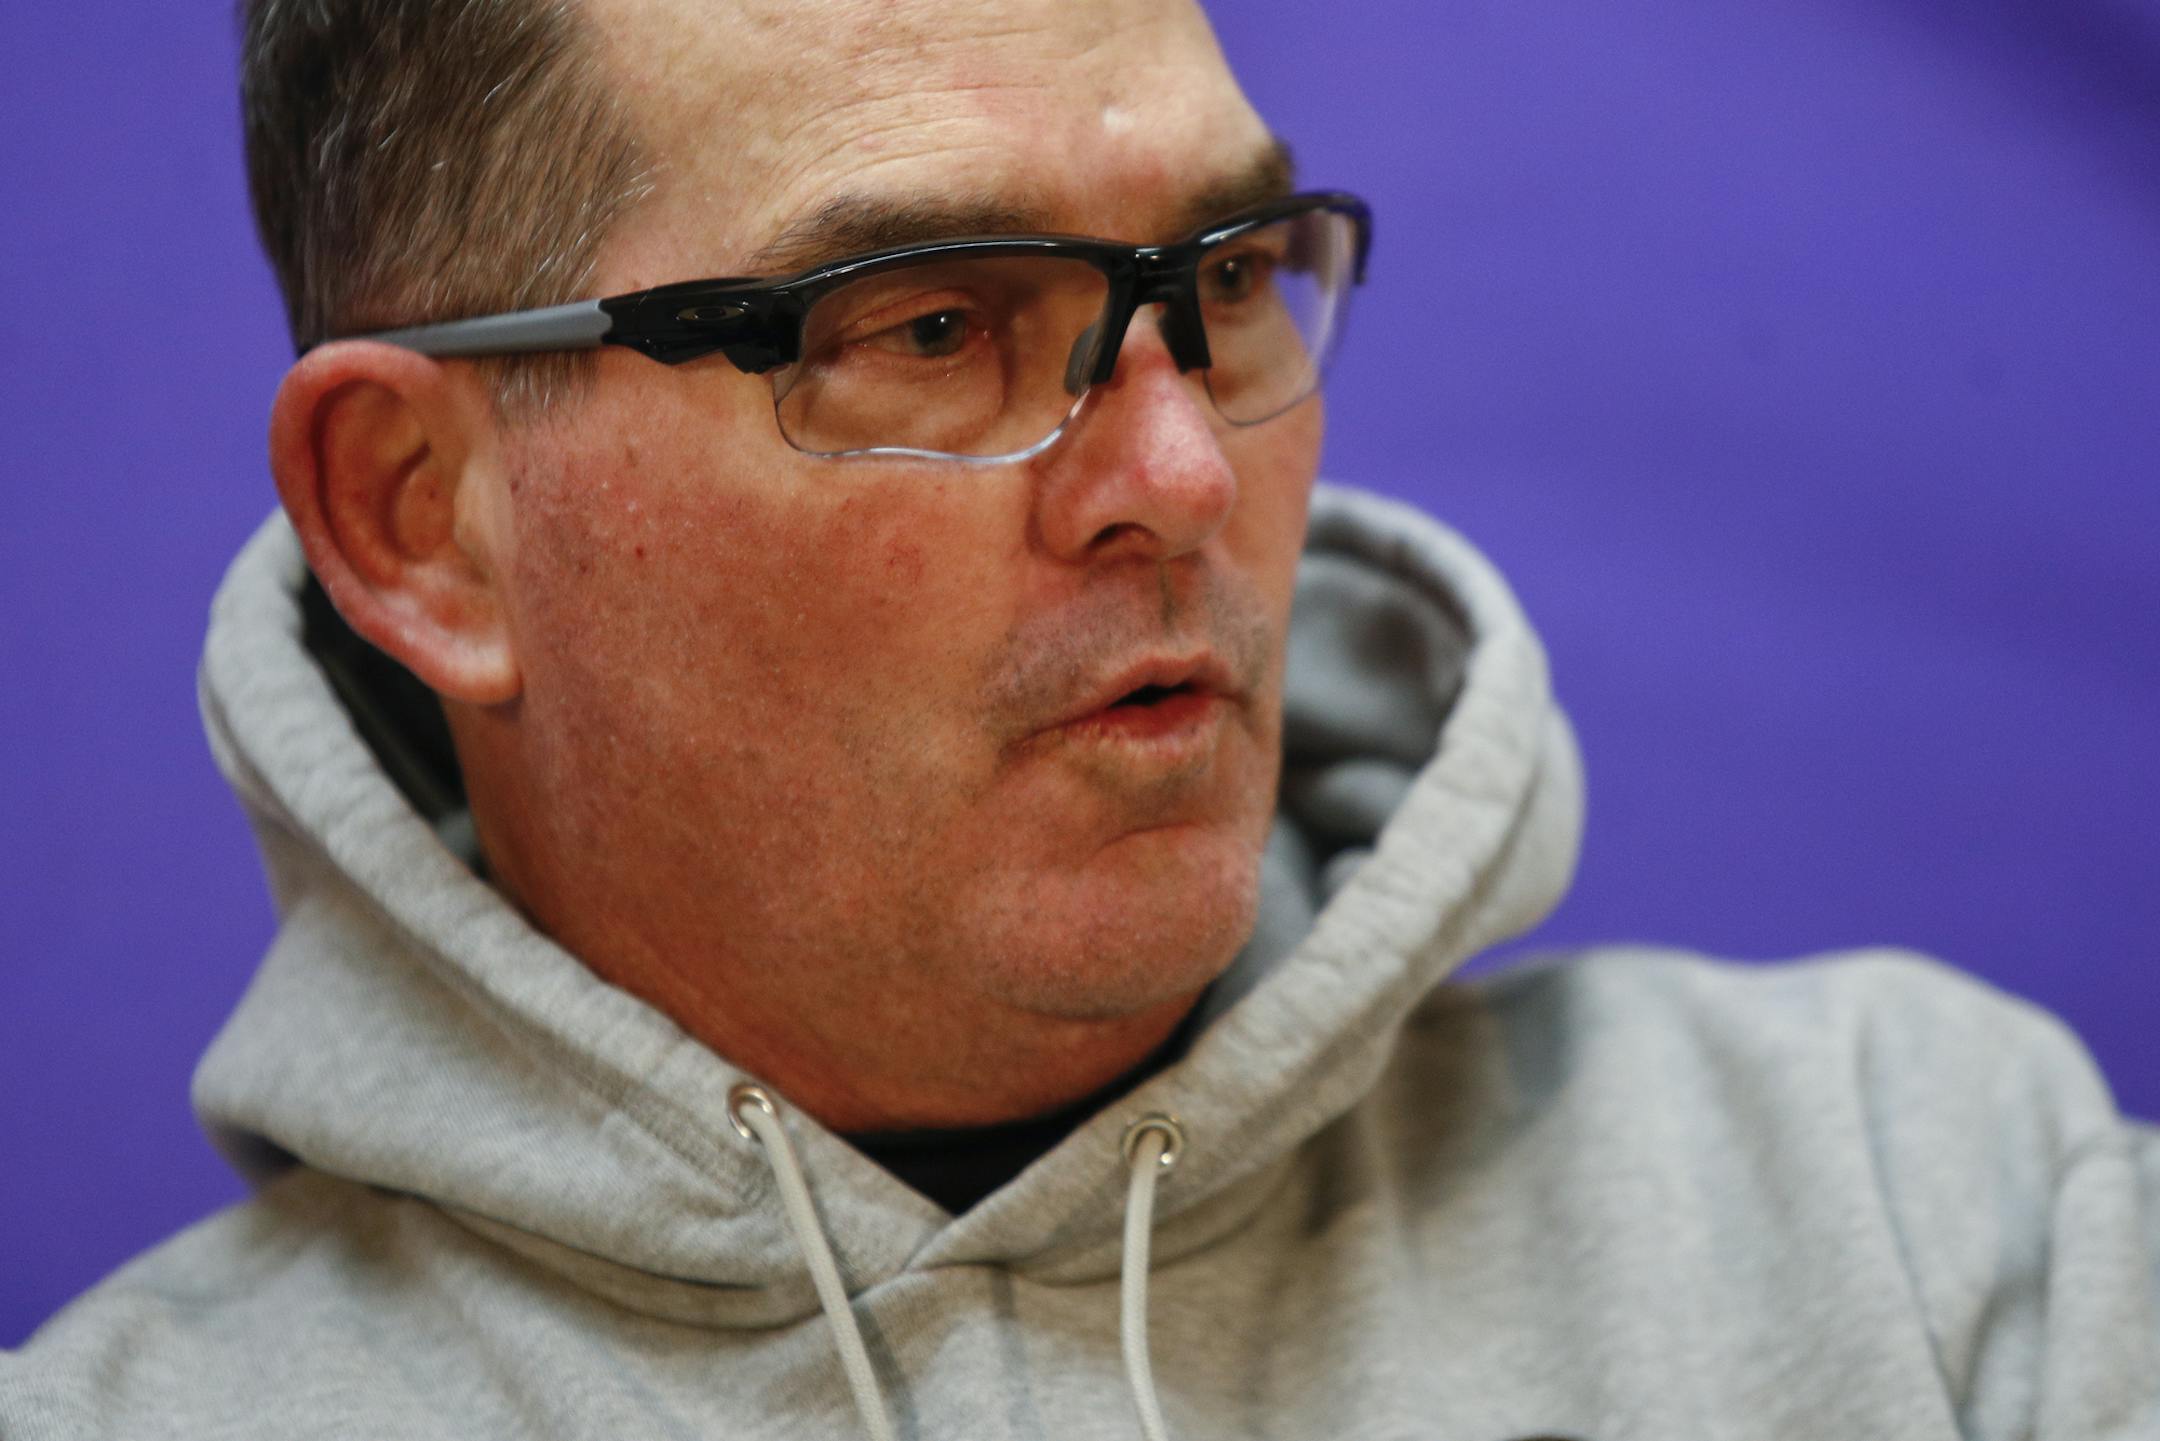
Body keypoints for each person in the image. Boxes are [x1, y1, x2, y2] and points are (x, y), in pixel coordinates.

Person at [5, 0, 2156, 1435]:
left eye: (1224, 279)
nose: (1187, 474)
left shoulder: (1935, 1208)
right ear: (423, 521)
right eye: (932, 322)